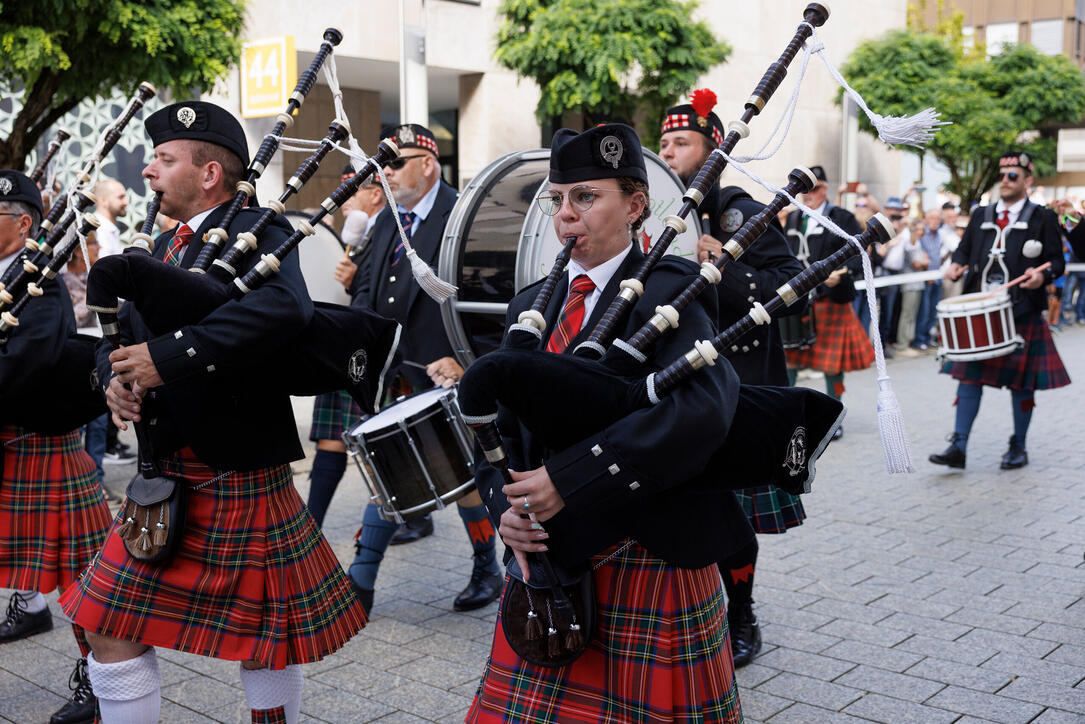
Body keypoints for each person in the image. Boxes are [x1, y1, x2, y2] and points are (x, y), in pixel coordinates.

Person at [57, 101, 367, 723]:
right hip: (160, 477)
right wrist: (112, 382)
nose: (148, 171)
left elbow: (284, 312)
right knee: (107, 626)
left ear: (208, 175)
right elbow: (117, 343)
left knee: (263, 642)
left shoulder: (263, 231)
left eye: (164, 160)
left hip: (238, 469)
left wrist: (164, 360)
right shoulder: (161, 244)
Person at [468, 123, 747, 723]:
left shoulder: (672, 292)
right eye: (557, 200)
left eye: (586, 197)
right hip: (552, 564)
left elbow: (700, 413)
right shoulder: (527, 308)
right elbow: (495, 428)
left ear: (636, 205)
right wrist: (505, 514)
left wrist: (567, 480)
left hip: (646, 549)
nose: (566, 215)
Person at [658, 90, 805, 667]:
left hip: (739, 380)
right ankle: (693, 609)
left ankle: (741, 615)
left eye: (681, 143)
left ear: (713, 146)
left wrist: (728, 268)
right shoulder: (661, 206)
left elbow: (795, 281)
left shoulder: (736, 206)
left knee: (731, 509)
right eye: (664, 143)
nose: (669, 153)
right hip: (678, 375)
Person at [340, 123, 502, 614]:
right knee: (390, 468)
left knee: (464, 475)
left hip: (448, 372)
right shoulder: (388, 217)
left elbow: (494, 298)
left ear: (428, 163)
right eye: (380, 166)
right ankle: (363, 582)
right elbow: (367, 291)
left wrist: (464, 357)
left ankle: (484, 568)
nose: (384, 173)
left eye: (395, 163)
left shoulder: (465, 213)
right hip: (395, 372)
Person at [0, 169, 114, 724]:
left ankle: (100, 677)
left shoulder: (37, 280)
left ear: (23, 223)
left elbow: (31, 361)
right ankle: (28, 610)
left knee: (79, 577)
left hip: (34, 447)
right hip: (8, 447)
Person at [930, 151, 1069, 470]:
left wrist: (1042, 276)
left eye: (1013, 176)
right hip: (980, 310)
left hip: (1021, 311)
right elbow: (964, 250)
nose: (1005, 182)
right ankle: (958, 446)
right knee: (968, 380)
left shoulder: (1042, 216)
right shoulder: (981, 213)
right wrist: (956, 265)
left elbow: (1057, 260)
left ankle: (1018, 446)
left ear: (1028, 181)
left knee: (1022, 385)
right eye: (1002, 176)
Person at [305, 166, 387, 529]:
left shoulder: (390, 232)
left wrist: (355, 283)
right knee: (330, 437)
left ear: (376, 194)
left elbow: (390, 298)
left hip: (374, 352)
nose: (344, 201)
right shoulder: (352, 235)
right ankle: (310, 529)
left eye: (352, 191)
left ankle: (391, 523)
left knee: (381, 445)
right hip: (344, 343)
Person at [783, 165, 872, 438]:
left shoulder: (841, 217)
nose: (808, 194)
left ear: (825, 189)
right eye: (803, 189)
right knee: (790, 360)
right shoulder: (794, 218)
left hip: (830, 299)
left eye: (815, 188)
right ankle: (788, 415)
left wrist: (843, 273)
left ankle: (833, 420)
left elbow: (859, 254)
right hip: (798, 300)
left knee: (832, 365)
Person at [912, 208, 945, 351]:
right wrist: (927, 273)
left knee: (933, 311)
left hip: (937, 278)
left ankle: (927, 338)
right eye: (932, 218)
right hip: (926, 278)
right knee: (924, 311)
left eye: (937, 219)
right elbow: (921, 255)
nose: (935, 222)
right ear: (926, 219)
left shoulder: (939, 235)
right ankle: (919, 339)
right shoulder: (923, 233)